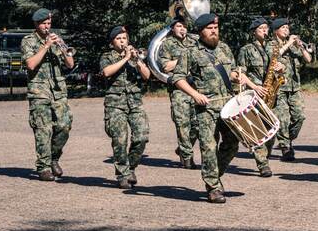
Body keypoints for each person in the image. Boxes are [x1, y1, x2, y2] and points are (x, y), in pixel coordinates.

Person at [169, 13, 248, 203]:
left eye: (216, 28)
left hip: (228, 105)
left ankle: (213, 174)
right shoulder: (191, 51)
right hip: (206, 109)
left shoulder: (224, 48)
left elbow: (233, 70)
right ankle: (213, 186)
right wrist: (195, 94)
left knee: (232, 144)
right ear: (201, 31)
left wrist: (237, 76)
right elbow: (177, 78)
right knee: (209, 147)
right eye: (209, 28)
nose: (214, 31)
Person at [21, 9, 74, 181]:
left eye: (49, 23)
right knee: (43, 129)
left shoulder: (56, 39)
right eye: (44, 24)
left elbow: (70, 64)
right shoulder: (28, 41)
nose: (47, 27)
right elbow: (30, 64)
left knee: (64, 127)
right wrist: (46, 46)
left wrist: (63, 48)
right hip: (39, 92)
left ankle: (54, 158)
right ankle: (43, 167)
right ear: (36, 24)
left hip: (58, 90)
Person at [100, 26, 151, 189]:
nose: (123, 41)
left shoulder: (134, 57)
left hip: (135, 101)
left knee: (141, 137)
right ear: (112, 42)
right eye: (119, 39)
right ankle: (122, 174)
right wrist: (125, 58)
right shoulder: (107, 56)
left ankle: (130, 168)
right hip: (115, 103)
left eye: (125, 38)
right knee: (120, 139)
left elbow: (147, 76)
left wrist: (136, 61)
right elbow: (106, 72)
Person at [264, 18, 313, 161]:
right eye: (283, 27)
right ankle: (285, 147)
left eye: (287, 27)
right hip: (279, 88)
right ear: (275, 31)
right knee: (283, 119)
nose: (287, 30)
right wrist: (289, 43)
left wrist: (301, 46)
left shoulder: (292, 46)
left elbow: (309, 60)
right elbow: (273, 56)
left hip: (294, 87)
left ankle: (288, 139)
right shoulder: (271, 45)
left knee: (299, 117)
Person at [234, 18, 276, 176]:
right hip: (255, 93)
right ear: (254, 32)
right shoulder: (246, 50)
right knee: (258, 128)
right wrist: (255, 87)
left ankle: (266, 155)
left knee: (272, 130)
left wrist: (280, 68)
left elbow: (280, 66)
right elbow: (240, 73)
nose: (265, 31)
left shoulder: (273, 48)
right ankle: (262, 164)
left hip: (270, 91)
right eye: (261, 29)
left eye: (266, 28)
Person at [159, 18, 198, 169]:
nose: (182, 29)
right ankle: (187, 157)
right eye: (179, 26)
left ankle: (183, 148)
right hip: (178, 89)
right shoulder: (167, 44)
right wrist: (186, 58)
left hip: (196, 87)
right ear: (173, 28)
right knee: (182, 124)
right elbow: (166, 66)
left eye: (185, 26)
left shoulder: (195, 41)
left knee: (197, 125)